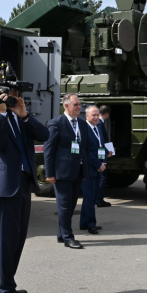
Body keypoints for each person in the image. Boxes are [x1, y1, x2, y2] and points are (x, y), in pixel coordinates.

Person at [0, 69, 49, 293]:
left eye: (16, 92)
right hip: (5, 186)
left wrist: (24, 115)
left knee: (17, 240)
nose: (13, 96)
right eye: (9, 92)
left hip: (24, 183)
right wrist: (0, 112)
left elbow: (44, 135)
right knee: (7, 241)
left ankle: (3, 286)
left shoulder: (20, 115)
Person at [45, 93, 92, 249]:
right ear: (66, 105)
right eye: (76, 105)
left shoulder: (83, 124)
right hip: (62, 172)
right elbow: (49, 150)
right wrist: (49, 173)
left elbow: (84, 148)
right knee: (64, 205)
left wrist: (85, 169)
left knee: (71, 205)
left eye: (80, 104)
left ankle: (61, 233)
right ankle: (68, 237)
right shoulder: (56, 123)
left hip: (77, 170)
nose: (79, 107)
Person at [78, 105, 108, 235]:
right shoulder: (83, 129)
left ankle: (84, 223)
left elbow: (101, 146)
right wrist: (97, 164)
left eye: (97, 115)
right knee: (90, 198)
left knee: (92, 197)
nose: (96, 118)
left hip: (98, 167)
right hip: (88, 169)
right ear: (87, 116)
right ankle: (91, 224)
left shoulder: (99, 128)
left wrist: (104, 160)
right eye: (93, 115)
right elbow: (85, 151)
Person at [95, 105, 113, 207]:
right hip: (101, 154)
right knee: (102, 177)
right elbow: (101, 141)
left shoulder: (99, 124)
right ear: (106, 114)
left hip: (102, 152)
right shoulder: (99, 124)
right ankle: (99, 199)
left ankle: (98, 198)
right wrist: (107, 151)